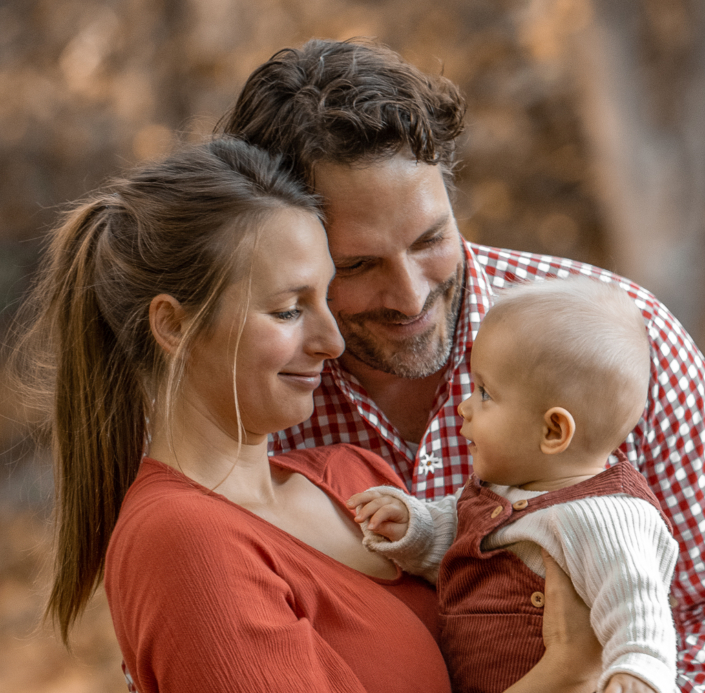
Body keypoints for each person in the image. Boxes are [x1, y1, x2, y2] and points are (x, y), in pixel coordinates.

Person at [10, 137, 602, 693]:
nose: (332, 342)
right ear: (174, 325)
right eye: (290, 310)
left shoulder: (356, 479)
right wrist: (566, 671)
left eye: (325, 298)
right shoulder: (182, 543)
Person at [217, 39, 705, 690]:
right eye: (357, 265)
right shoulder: (246, 400)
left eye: (429, 240)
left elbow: (696, 611)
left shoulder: (622, 344)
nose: (411, 295)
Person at [348, 276, 679, 693]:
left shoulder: (607, 516)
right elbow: (458, 541)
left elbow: (638, 605)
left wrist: (638, 673)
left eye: (485, 393)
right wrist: (415, 527)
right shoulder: (501, 492)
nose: (465, 407)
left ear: (553, 430)